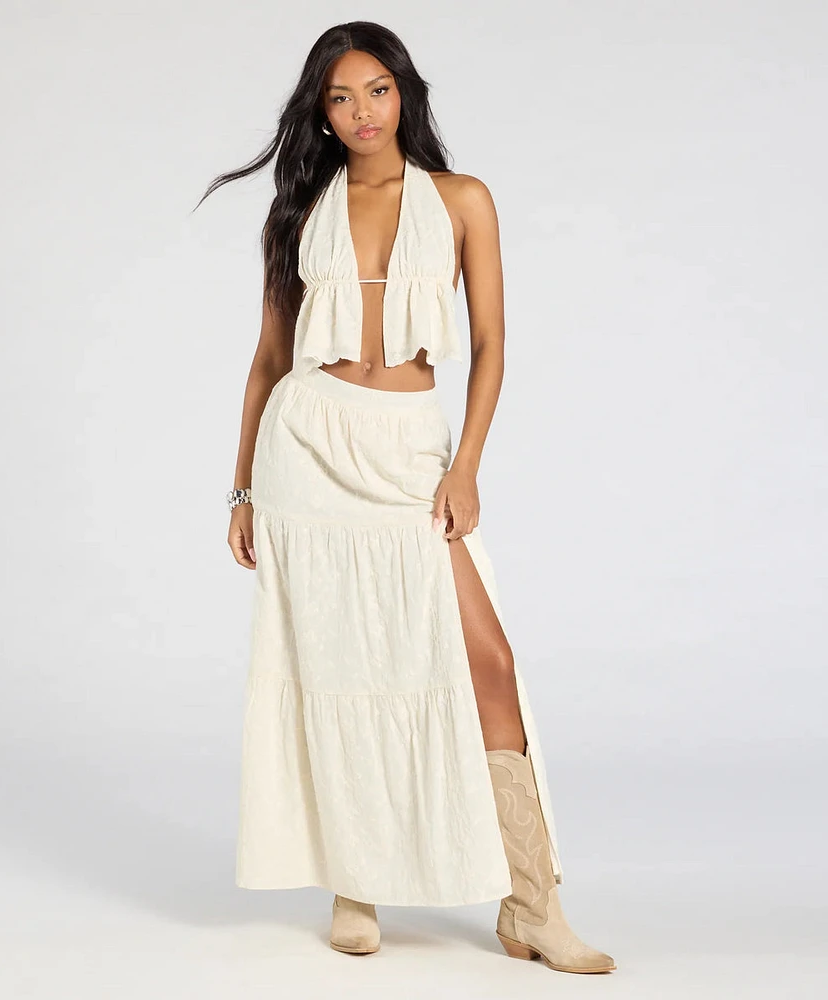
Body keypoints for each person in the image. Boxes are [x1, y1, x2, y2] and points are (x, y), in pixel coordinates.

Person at [197, 21, 616, 974]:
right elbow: (268, 360)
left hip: (408, 450)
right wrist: (242, 489)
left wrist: (465, 466)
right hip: (309, 449)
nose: (362, 112)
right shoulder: (298, 212)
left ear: (405, 94)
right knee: (343, 664)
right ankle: (356, 880)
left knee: (488, 661)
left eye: (378, 90)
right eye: (341, 97)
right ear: (320, 112)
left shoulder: (462, 199)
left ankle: (532, 906)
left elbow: (493, 344)